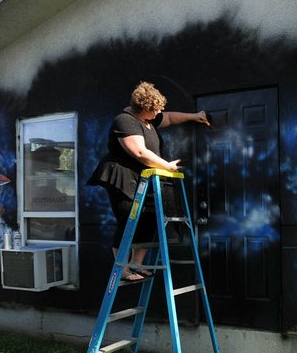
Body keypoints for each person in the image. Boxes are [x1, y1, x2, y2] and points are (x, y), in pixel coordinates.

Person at [88, 81, 210, 281]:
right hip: (122, 178)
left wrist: (194, 116)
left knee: (149, 219)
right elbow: (139, 152)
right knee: (128, 219)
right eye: (154, 111)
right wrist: (167, 166)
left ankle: (137, 263)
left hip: (144, 178)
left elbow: (169, 118)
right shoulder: (125, 121)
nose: (158, 114)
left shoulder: (148, 120)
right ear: (143, 108)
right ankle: (122, 269)